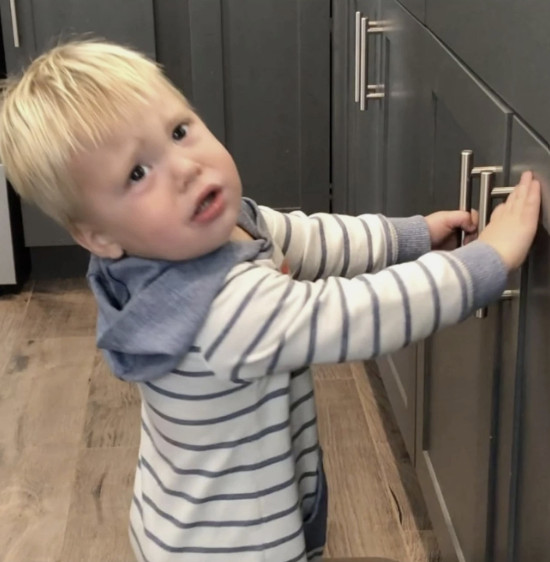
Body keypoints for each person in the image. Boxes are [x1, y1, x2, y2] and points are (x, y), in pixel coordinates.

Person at [0, 40, 540, 562]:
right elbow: (357, 314)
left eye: (179, 131)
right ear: (98, 236)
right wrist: (488, 260)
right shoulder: (218, 310)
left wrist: (410, 235)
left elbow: (310, 238)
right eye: (137, 173)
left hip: (185, 518)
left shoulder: (213, 229)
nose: (185, 168)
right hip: (228, 547)